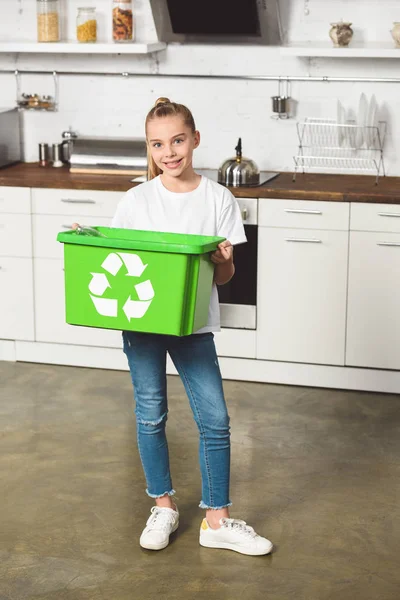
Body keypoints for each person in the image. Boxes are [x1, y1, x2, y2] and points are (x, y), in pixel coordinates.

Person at [76, 97, 273, 556]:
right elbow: (117, 259)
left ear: (195, 140)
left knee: (216, 420)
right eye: (158, 144)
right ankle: (163, 506)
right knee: (150, 415)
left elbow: (224, 278)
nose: (169, 152)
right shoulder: (136, 200)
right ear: (149, 148)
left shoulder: (217, 198)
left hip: (195, 324)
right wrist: (88, 241)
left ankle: (216, 520)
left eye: (178, 140)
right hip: (142, 325)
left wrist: (223, 261)